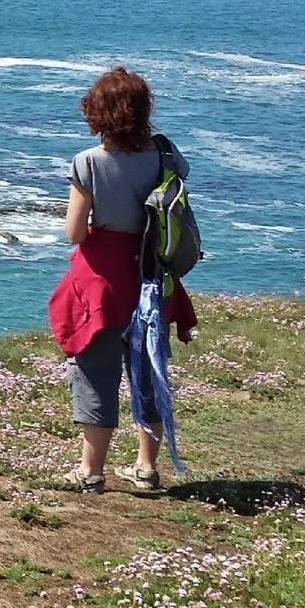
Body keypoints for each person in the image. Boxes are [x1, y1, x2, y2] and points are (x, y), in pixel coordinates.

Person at [48, 67, 193, 493]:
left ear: (97, 114)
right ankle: (146, 469)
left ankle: (90, 472)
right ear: (145, 110)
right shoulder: (167, 156)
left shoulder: (88, 162)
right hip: (151, 279)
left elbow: (74, 233)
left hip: (102, 283)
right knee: (148, 372)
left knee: (95, 375)